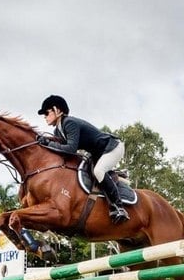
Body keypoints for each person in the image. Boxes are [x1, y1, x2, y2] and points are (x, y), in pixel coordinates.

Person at [36, 95, 130, 223]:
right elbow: (59, 149)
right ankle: (114, 178)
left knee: (98, 171)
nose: (45, 117)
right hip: (97, 153)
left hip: (112, 147)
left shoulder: (69, 123)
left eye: (47, 113)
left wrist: (47, 143)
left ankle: (118, 207)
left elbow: (70, 149)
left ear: (57, 110)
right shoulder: (58, 131)